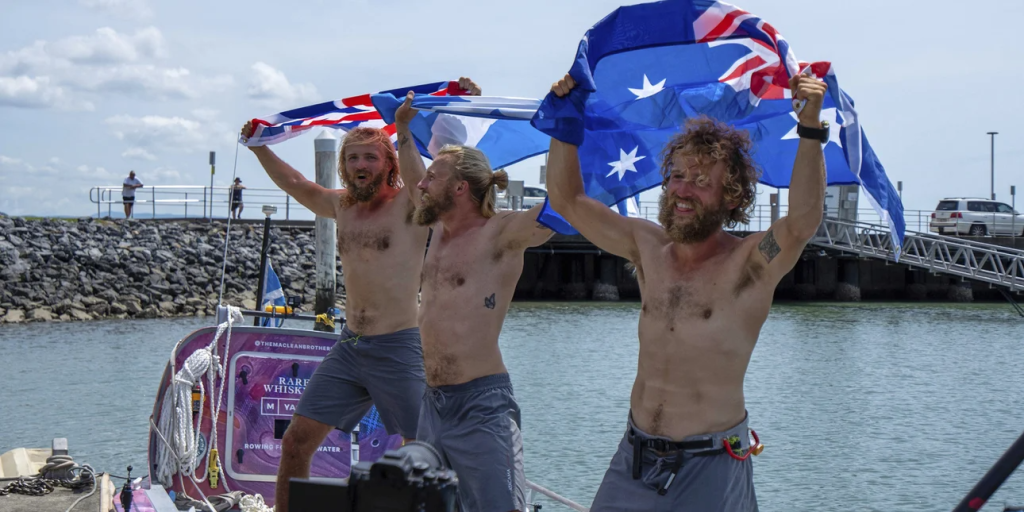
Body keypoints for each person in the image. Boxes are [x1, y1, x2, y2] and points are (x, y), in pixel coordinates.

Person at [545, 73, 828, 510]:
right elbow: (566, 200)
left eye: (700, 181)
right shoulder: (646, 247)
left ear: (731, 197)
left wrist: (809, 129)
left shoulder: (750, 264)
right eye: (677, 176)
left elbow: (801, 222)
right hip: (634, 458)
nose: (682, 190)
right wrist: (565, 118)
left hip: (710, 466)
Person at [237, 77, 480, 512]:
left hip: (399, 345)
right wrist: (259, 147)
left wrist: (415, 123)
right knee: (295, 442)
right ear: (344, 168)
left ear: (389, 165)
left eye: (370, 156)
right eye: (352, 158)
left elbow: (424, 177)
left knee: (421, 451)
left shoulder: (410, 206)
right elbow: (295, 183)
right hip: (349, 346)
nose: (359, 163)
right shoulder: (341, 205)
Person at [394, 92, 553, 512]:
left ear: (460, 187)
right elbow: (412, 179)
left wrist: (568, 136)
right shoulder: (440, 228)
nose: (421, 185)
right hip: (433, 404)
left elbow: (564, 211)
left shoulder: (501, 234)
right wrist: (404, 129)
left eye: (434, 177)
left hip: (482, 406)